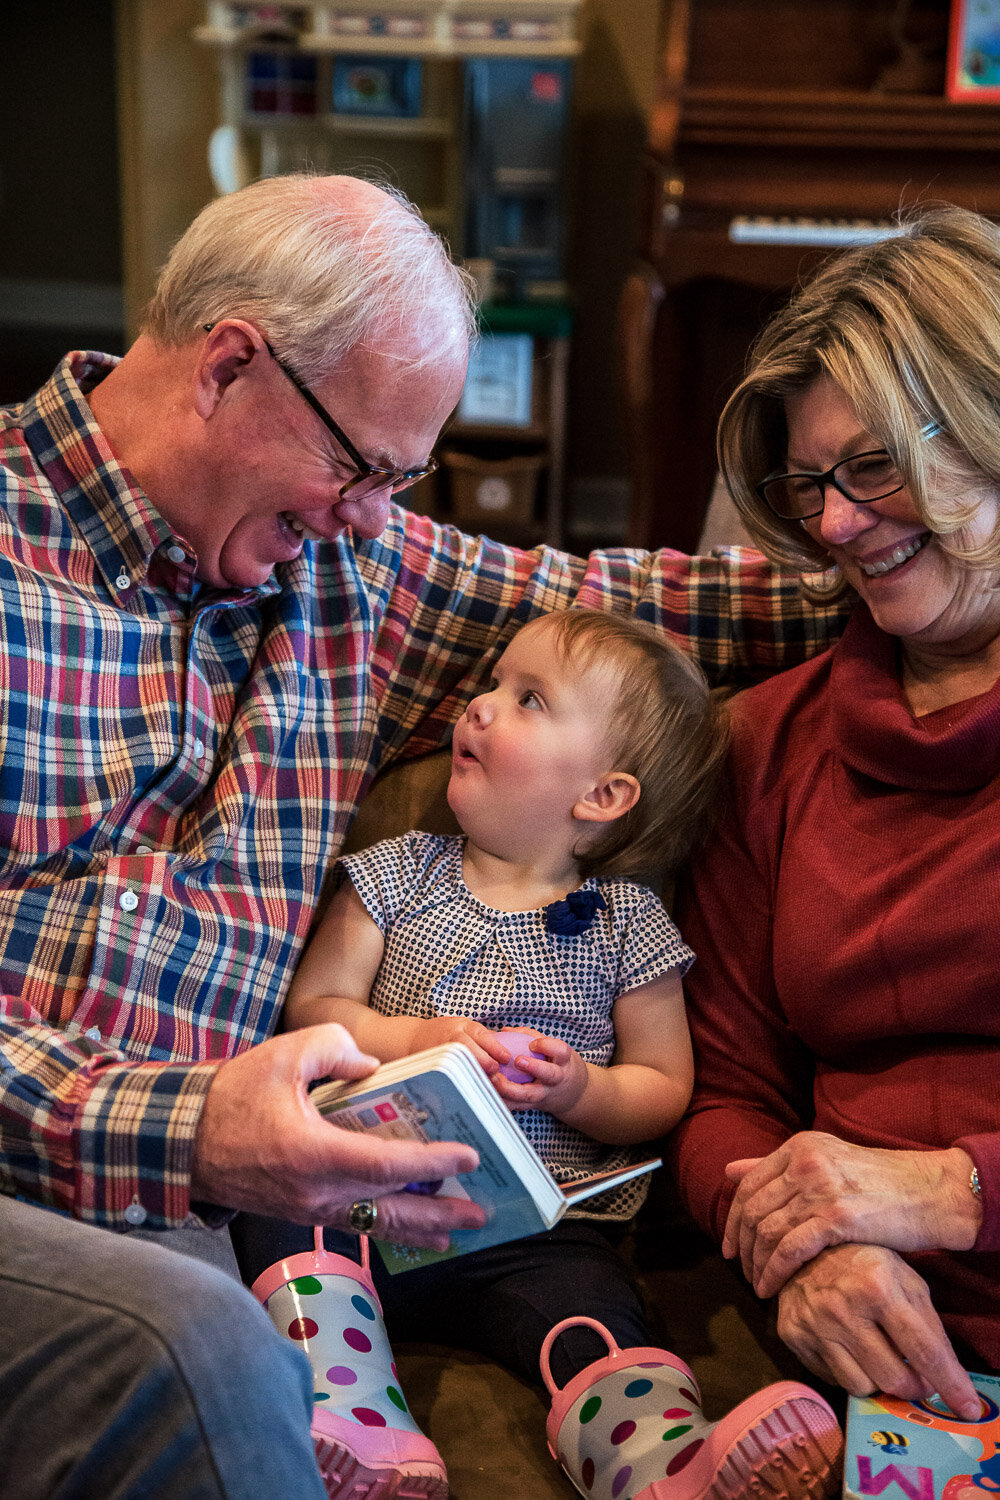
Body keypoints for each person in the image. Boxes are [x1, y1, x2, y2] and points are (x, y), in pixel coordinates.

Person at [0, 169, 848, 1498]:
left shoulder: (349, 565)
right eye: (361, 467)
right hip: (41, 1184)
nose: (374, 515)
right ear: (231, 367)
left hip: (241, 1211)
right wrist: (186, 1127)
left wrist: (911, 547)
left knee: (236, 1334)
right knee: (199, 1350)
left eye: (406, 478)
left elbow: (627, 612)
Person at [232, 606, 841, 1500]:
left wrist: (577, 1086)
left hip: (531, 1230)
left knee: (588, 1313)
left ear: (601, 796)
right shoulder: (399, 871)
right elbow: (315, 1004)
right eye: (489, 685)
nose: (478, 708)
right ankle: (353, 1424)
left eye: (527, 699)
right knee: (282, 1218)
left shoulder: (630, 926)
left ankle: (660, 1463)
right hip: (369, 1197)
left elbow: (664, 1088)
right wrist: (415, 1039)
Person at [669, 203, 1000, 1436]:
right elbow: (724, 1092)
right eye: (811, 483)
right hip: (872, 1372)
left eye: (871, 467)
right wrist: (797, 1250)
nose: (834, 526)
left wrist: (953, 1191)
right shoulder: (766, 744)